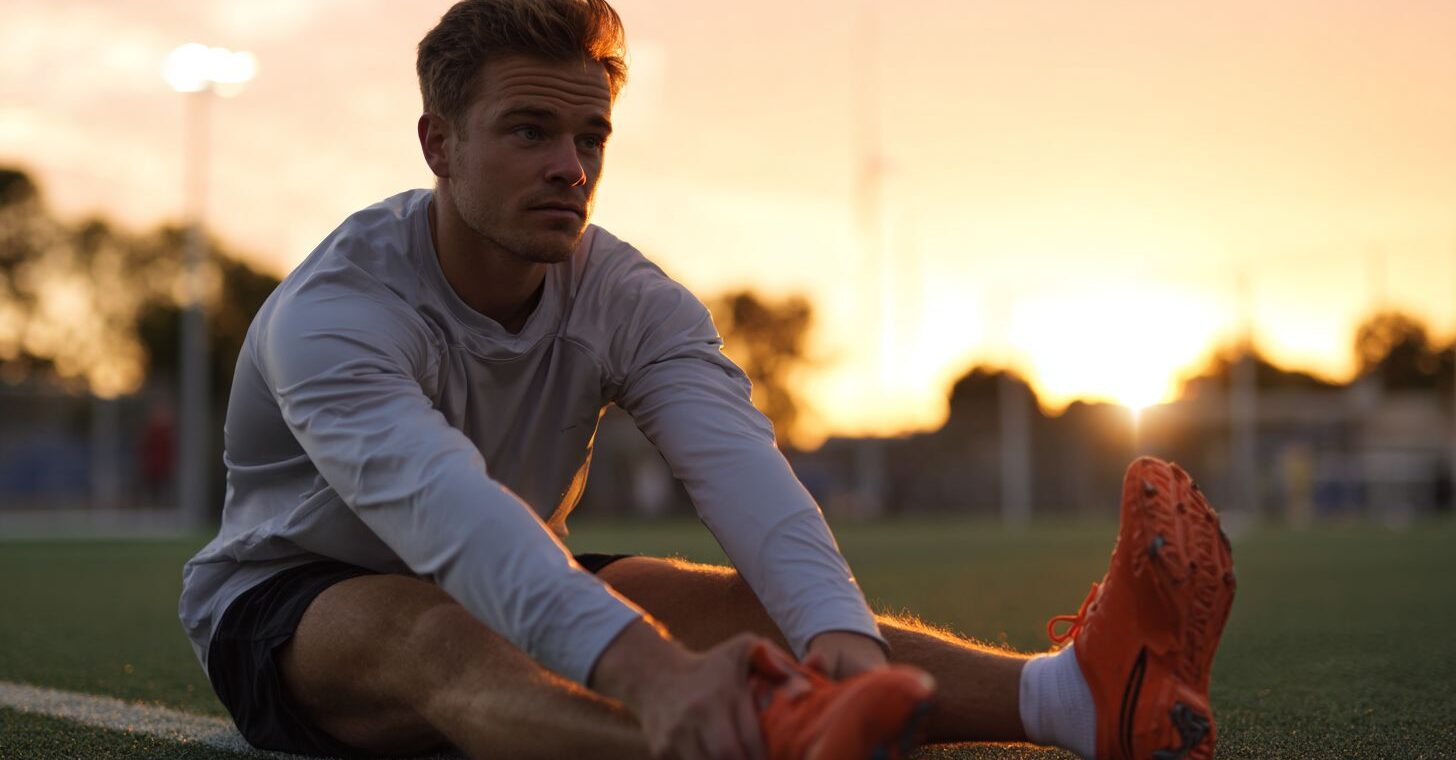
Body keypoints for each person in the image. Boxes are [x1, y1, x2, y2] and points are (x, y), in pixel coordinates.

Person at [178, 1, 1236, 758]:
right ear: (437, 145)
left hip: (507, 566)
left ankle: (1079, 700)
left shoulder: (627, 294)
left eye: (590, 136)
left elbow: (742, 475)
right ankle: (756, 737)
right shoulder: (334, 313)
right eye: (530, 131)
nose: (572, 167)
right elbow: (445, 514)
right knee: (449, 633)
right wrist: (650, 674)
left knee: (717, 603)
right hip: (296, 603)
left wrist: (841, 646)